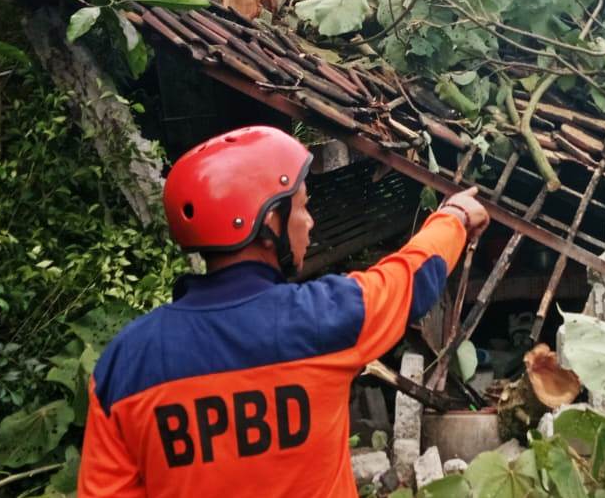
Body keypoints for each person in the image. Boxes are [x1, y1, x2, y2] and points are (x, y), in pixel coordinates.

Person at [78, 125, 489, 497]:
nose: (309, 223)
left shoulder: (124, 365)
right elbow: (410, 278)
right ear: (270, 220)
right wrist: (454, 216)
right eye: (302, 207)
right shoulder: (327, 318)